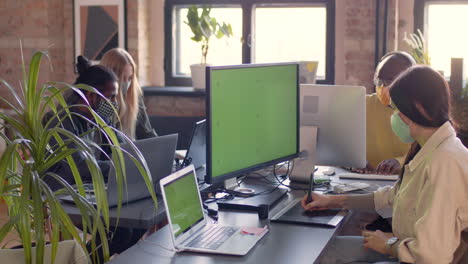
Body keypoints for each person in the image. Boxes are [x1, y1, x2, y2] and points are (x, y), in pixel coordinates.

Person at [302, 65, 468, 263]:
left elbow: (433, 256)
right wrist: (333, 200)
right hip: (404, 249)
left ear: (418, 107)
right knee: (323, 253)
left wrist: (388, 245)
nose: (394, 117)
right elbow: (393, 197)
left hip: (414, 258)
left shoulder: (445, 163)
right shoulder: (430, 148)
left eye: (396, 110)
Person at [44, 55, 119, 190]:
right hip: (63, 195)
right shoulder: (60, 122)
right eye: (110, 97)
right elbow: (80, 167)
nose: (114, 103)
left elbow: (122, 148)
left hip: (90, 189)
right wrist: (120, 165)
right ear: (90, 95)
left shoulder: (102, 118)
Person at [355, 51, 415, 175]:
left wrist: (400, 162)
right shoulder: (361, 104)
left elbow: (429, 151)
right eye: (379, 81)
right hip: (363, 180)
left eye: (389, 81)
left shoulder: (421, 110)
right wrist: (355, 160)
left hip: (404, 181)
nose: (382, 87)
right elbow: (341, 144)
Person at [100, 48, 157, 140]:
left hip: (133, 152)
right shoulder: (99, 101)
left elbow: (146, 133)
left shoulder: (133, 96)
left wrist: (160, 147)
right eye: (122, 78)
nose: (126, 83)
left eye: (130, 78)